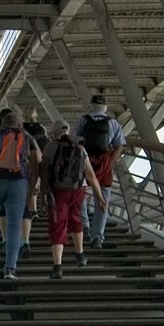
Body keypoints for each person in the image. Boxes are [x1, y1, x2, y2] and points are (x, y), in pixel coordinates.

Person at [0, 107, 36, 283]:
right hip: (18, 183)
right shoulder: (27, 137)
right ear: (20, 124)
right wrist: (32, 189)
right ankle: (10, 268)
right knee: (14, 225)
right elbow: (37, 162)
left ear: (2, 123)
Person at [42, 119, 94, 279]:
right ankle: (80, 254)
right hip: (79, 189)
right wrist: (99, 196)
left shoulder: (50, 146)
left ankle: (57, 266)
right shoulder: (80, 147)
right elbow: (90, 174)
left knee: (57, 225)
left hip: (57, 191)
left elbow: (44, 173)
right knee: (76, 219)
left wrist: (42, 193)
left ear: (53, 132)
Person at [75, 93, 124, 251]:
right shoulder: (113, 123)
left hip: (84, 162)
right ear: (105, 108)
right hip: (103, 165)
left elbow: (74, 139)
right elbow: (119, 145)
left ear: (91, 107)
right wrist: (110, 161)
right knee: (102, 200)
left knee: (79, 194)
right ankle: (97, 237)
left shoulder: (83, 120)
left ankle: (84, 225)